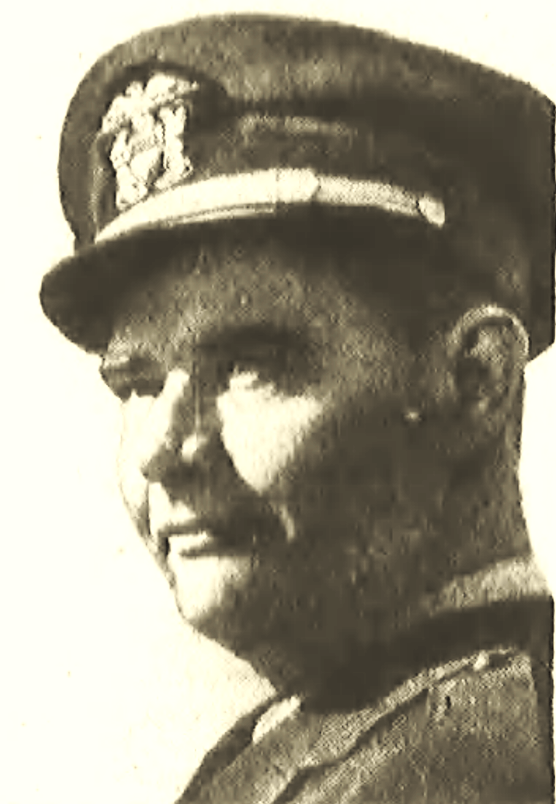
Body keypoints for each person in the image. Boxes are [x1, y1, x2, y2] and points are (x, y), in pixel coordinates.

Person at [39, 13, 554, 803]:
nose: (161, 449)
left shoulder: (465, 767)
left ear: (475, 382)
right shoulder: (314, 742)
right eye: (138, 384)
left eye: (249, 366)